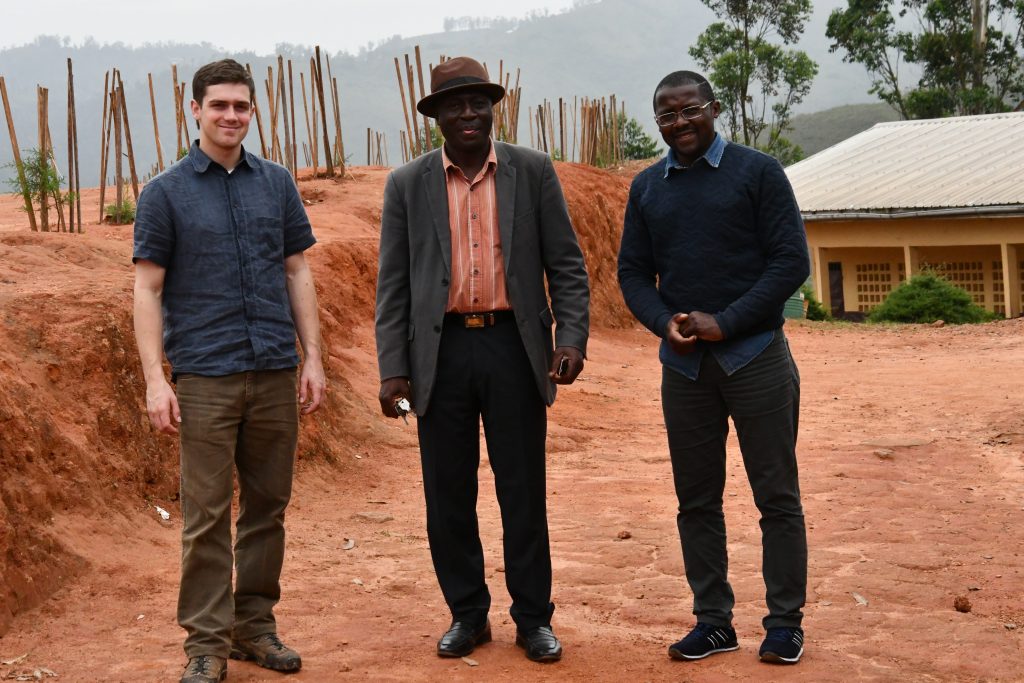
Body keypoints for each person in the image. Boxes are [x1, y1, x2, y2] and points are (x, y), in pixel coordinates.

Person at [374, 56, 589, 664]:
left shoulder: (532, 171)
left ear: (494, 108)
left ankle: (533, 619)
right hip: (437, 353)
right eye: (454, 104)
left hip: (512, 347)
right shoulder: (407, 184)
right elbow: (393, 285)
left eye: (478, 102)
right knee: (447, 494)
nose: (468, 113)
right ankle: (468, 614)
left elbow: (567, 266)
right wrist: (393, 369)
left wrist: (570, 340)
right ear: (435, 116)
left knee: (523, 489)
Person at [133, 58, 325, 683]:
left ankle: (254, 626)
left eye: (241, 106)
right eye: (219, 105)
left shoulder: (277, 185)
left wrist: (313, 357)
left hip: (273, 368)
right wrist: (156, 379)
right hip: (206, 376)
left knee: (268, 505)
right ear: (196, 110)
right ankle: (206, 645)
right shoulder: (164, 193)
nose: (231, 116)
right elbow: (148, 289)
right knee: (208, 513)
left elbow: (297, 271)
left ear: (251, 111)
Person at [617, 70, 810, 665]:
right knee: (695, 500)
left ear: (715, 109)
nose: (680, 123)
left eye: (689, 110)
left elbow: (790, 262)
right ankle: (713, 621)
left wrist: (726, 321)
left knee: (775, 496)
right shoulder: (648, 187)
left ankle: (783, 623)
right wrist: (662, 322)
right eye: (667, 116)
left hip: (756, 359)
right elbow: (631, 274)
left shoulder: (758, 172)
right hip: (686, 371)